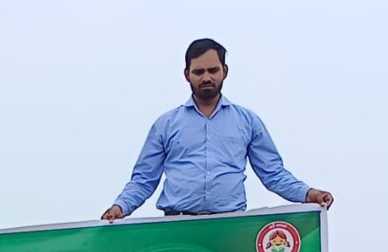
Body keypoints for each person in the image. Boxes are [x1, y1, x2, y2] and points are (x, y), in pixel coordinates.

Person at [101, 38, 332, 220]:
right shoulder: (166, 124)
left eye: (213, 70)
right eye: (199, 72)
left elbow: (273, 173)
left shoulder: (247, 121)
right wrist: (120, 207)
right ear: (187, 75)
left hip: (230, 227)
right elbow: (143, 179)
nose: (206, 78)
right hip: (176, 228)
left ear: (225, 71)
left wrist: (308, 194)